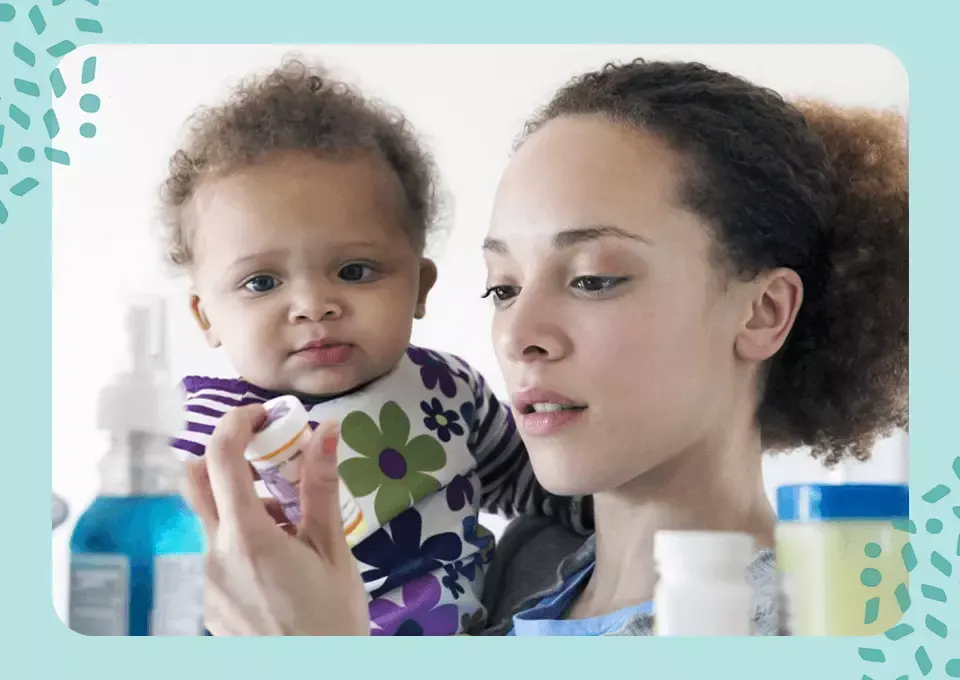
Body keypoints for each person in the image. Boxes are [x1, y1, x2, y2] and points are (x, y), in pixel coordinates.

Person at [182, 57, 908, 636]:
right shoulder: (523, 565)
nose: (517, 336)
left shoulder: (827, 632)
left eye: (592, 279)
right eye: (502, 288)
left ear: (763, 311)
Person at [162, 58, 591, 636]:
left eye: (356, 270)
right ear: (205, 314)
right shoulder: (206, 438)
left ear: (419, 286)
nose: (314, 304)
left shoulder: (450, 390)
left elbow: (532, 483)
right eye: (261, 282)